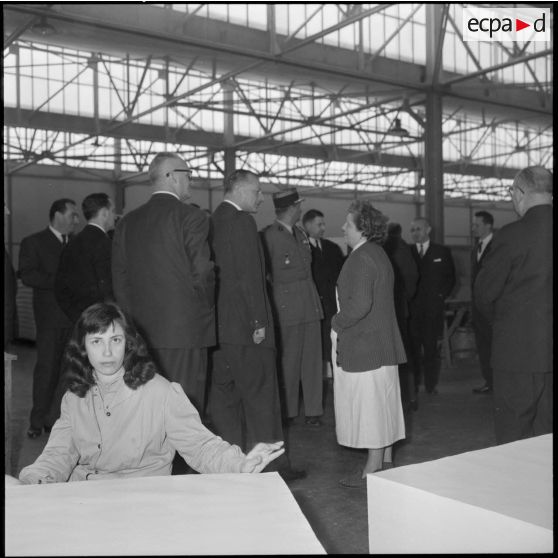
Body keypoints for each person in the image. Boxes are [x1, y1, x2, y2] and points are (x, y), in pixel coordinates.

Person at [18, 302, 284, 484]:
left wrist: (240, 464)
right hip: (86, 497)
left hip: (144, 498)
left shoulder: (161, 392)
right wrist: (33, 480)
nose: (107, 352)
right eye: (96, 342)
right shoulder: (74, 397)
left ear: (128, 344)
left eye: (115, 340)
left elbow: (201, 447)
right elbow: (58, 454)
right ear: (83, 349)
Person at [208, 170, 304, 481]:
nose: (261, 198)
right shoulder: (242, 222)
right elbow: (250, 277)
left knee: (226, 402)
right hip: (248, 328)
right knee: (263, 398)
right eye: (256, 191)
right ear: (238, 190)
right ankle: (273, 466)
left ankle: (233, 465)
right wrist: (259, 322)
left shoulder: (212, 220)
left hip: (221, 330)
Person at [112, 152, 215, 414]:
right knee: (184, 409)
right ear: (171, 177)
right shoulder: (191, 217)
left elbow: (120, 279)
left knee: (146, 409)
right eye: (187, 174)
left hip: (141, 333)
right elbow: (203, 272)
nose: (190, 180)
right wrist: (202, 310)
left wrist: (133, 322)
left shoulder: (128, 222)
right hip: (185, 332)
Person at [474, 166, 552, 445]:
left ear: (519, 192)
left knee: (514, 436)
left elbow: (484, 294)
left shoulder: (510, 235)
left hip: (517, 352)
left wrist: (506, 324)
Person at [332, 200, 406, 488]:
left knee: (372, 409)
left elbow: (360, 305)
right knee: (384, 404)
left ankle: (371, 471)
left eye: (348, 224)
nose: (343, 228)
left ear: (362, 228)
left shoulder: (361, 257)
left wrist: (336, 322)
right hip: (382, 345)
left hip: (365, 346)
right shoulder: (379, 253)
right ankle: (386, 463)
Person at [260, 189, 324, 427]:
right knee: (289, 362)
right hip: (286, 307)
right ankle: (288, 410)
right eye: (298, 206)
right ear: (290, 208)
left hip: (309, 304)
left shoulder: (300, 233)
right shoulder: (269, 236)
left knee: (312, 361)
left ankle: (314, 410)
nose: (300, 209)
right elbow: (267, 274)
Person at [18, 198, 80, 439]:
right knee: (46, 370)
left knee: (67, 373)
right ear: (58, 215)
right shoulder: (33, 242)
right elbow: (28, 275)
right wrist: (61, 281)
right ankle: (36, 421)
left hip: (72, 320)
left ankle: (53, 421)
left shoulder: (76, 243)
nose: (76, 220)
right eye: (73, 214)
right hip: (48, 320)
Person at [408, 217, 456, 395]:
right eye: (412, 230)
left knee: (430, 348)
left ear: (428, 230)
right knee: (413, 348)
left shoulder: (441, 251)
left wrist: (441, 296)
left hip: (432, 309)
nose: (415, 233)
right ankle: (413, 384)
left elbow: (451, 278)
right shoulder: (407, 252)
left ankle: (430, 385)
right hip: (412, 311)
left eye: (418, 229)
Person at [55, 193, 116, 323]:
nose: (115, 216)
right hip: (102, 319)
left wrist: (77, 316)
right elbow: (107, 286)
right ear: (104, 213)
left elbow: (60, 288)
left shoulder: (72, 243)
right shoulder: (105, 244)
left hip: (79, 318)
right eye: (113, 211)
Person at [302, 209, 345, 381]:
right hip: (313, 310)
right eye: (319, 224)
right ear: (307, 225)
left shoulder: (332, 249)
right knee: (316, 351)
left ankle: (337, 383)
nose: (323, 228)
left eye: (323, 224)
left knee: (335, 348)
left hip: (333, 309)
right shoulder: (302, 249)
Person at [383, 222, 419, 412]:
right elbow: (412, 276)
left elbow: (410, 276)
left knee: (400, 353)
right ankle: (408, 396)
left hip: (393, 309)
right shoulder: (401, 247)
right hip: (397, 308)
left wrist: (402, 298)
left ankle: (406, 397)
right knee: (403, 352)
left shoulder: (389, 247)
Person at [470, 210, 494, 394]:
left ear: (488, 225)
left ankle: (497, 382)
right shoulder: (475, 248)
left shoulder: (498, 246)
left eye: (477, 225)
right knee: (483, 346)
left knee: (494, 346)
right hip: (477, 308)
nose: (473, 228)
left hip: (492, 307)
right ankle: (489, 381)